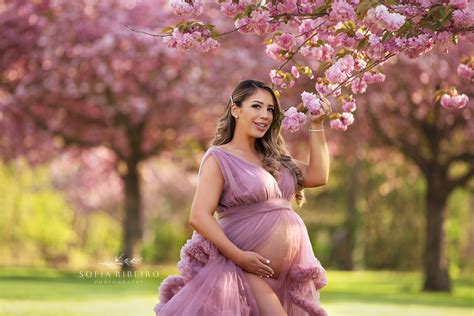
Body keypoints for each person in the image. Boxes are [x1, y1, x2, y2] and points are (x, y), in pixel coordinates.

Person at [154, 79, 332, 316]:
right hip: (242, 267)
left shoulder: (276, 159)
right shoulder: (219, 157)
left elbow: (318, 175)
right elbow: (199, 216)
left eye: (270, 109)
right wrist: (240, 257)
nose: (265, 115)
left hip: (283, 274)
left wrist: (317, 125)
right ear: (235, 110)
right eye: (256, 106)